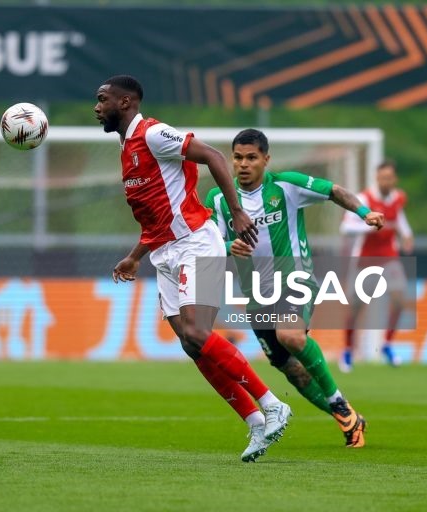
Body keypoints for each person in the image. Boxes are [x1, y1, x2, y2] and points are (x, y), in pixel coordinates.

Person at [95, 75, 292, 463]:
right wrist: (135, 255)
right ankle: (253, 420)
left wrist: (236, 211)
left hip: (196, 243)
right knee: (190, 344)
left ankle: (272, 404)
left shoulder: (152, 134)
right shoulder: (126, 148)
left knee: (199, 333)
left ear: (126, 101)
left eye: (103, 99)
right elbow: (157, 217)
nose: (96, 107)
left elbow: (215, 157)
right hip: (164, 252)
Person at [205, 128, 384, 448]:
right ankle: (349, 419)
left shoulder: (286, 185)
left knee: (291, 335)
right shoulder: (218, 199)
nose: (243, 164)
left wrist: (364, 212)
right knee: (292, 371)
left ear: (266, 160)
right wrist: (230, 244)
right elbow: (209, 242)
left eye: (251, 158)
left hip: (294, 280)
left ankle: (340, 405)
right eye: (237, 158)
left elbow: (334, 190)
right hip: (255, 295)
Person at [340, 161, 413, 372]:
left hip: (389, 257)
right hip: (365, 260)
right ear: (376, 178)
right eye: (382, 178)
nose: (385, 181)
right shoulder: (365, 199)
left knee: (400, 299)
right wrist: (369, 227)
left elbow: (398, 217)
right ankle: (347, 350)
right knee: (356, 307)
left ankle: (387, 345)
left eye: (389, 178)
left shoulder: (398, 198)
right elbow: (345, 227)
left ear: (394, 179)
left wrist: (405, 234)